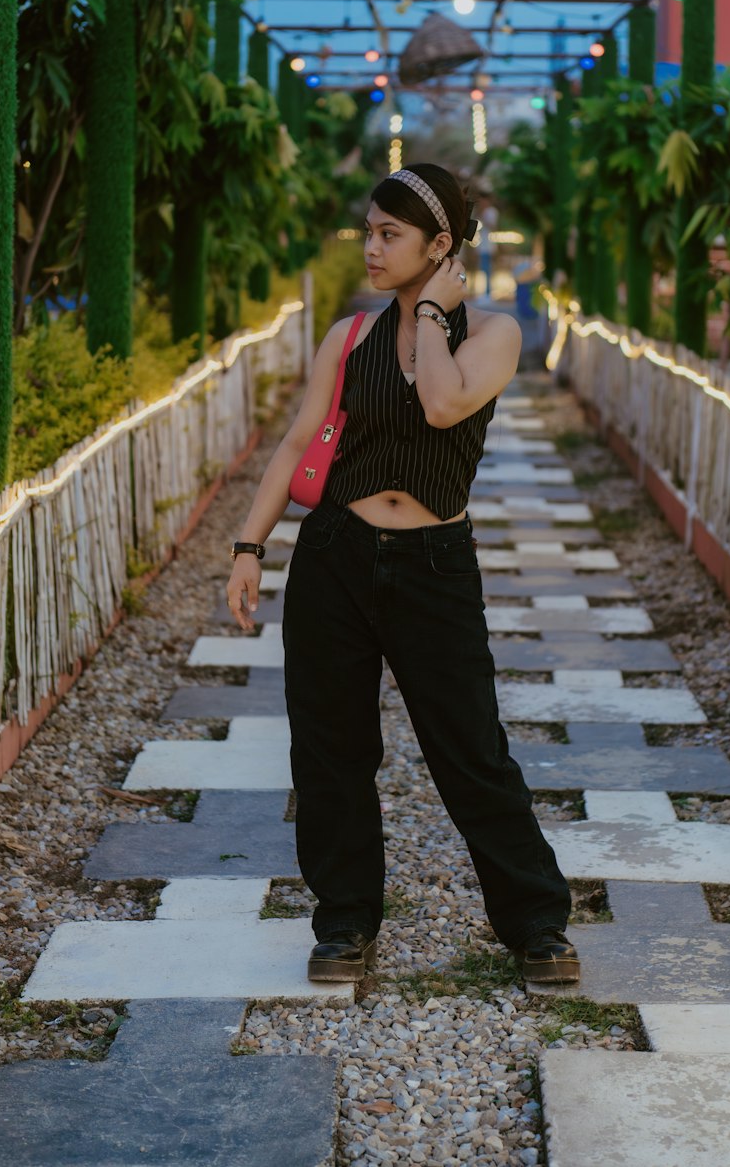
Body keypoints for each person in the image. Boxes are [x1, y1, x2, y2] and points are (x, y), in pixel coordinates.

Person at [226, 162, 578, 986]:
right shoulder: (346, 338)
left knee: (471, 750)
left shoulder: (493, 334)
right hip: (336, 555)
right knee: (330, 751)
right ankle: (346, 923)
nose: (371, 247)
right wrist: (250, 546)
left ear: (441, 245)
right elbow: (293, 443)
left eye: (391, 234)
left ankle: (537, 924)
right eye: (371, 231)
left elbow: (444, 405)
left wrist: (428, 312)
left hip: (434, 565)